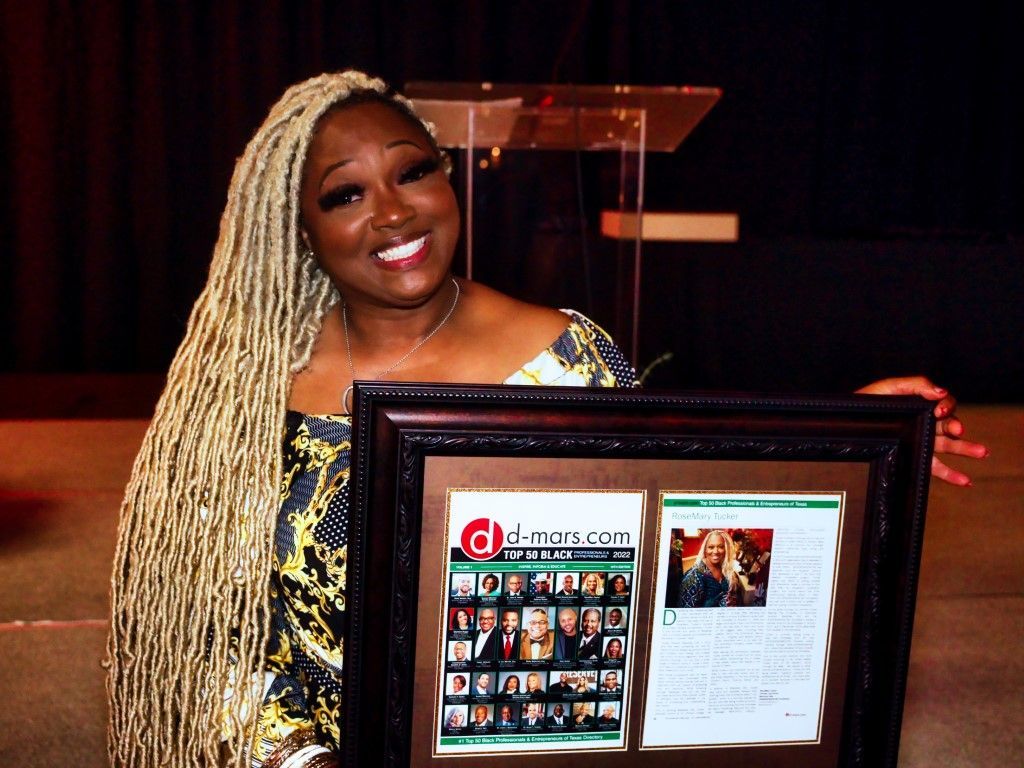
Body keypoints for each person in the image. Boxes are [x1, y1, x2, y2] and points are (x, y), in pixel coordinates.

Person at [105, 68, 986, 768]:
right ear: (298, 228)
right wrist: (298, 759)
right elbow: (207, 637)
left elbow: (675, 552)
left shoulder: (566, 354)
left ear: (447, 180)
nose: (394, 211)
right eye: (345, 194)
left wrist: (845, 450)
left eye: (414, 171)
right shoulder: (248, 395)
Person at [677, 530, 739, 608]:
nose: (715, 551)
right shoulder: (693, 577)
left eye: (720, 547)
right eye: (711, 547)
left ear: (726, 549)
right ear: (705, 550)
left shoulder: (726, 570)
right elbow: (686, 613)